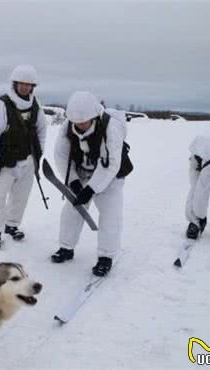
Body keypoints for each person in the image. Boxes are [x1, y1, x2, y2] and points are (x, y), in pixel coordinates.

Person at [51, 91, 133, 277]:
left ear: (94, 116)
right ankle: (66, 248)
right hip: (82, 171)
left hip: (111, 176)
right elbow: (61, 156)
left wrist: (91, 189)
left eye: (84, 121)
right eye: (76, 122)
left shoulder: (110, 128)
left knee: (110, 216)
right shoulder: (67, 127)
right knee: (72, 210)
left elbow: (111, 164)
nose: (80, 125)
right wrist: (73, 182)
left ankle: (106, 257)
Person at [0, 65, 47, 249]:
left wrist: (38, 153)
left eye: (29, 85)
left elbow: (42, 130)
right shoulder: (3, 105)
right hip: (5, 160)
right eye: (22, 84)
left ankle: (12, 225)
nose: (25, 88)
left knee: (21, 196)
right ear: (15, 84)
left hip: (27, 160)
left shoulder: (36, 106)